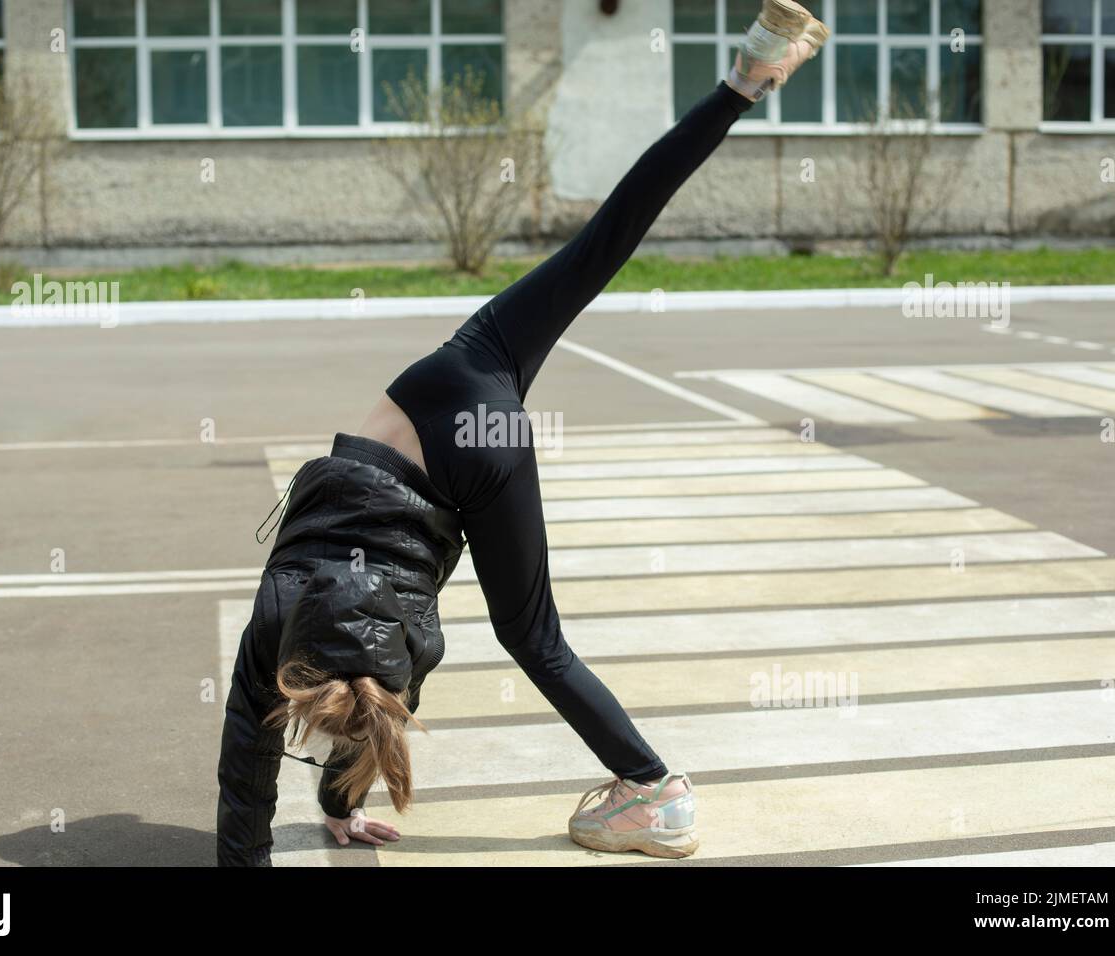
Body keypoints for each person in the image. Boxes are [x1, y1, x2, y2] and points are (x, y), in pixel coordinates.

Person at [216, 0, 828, 866]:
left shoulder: (396, 652)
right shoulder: (294, 621)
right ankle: (746, 77)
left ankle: (654, 792)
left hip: (468, 460)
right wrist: (336, 799)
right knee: (604, 239)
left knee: (533, 637)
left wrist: (329, 804)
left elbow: (313, 725)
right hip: (458, 381)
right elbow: (326, 701)